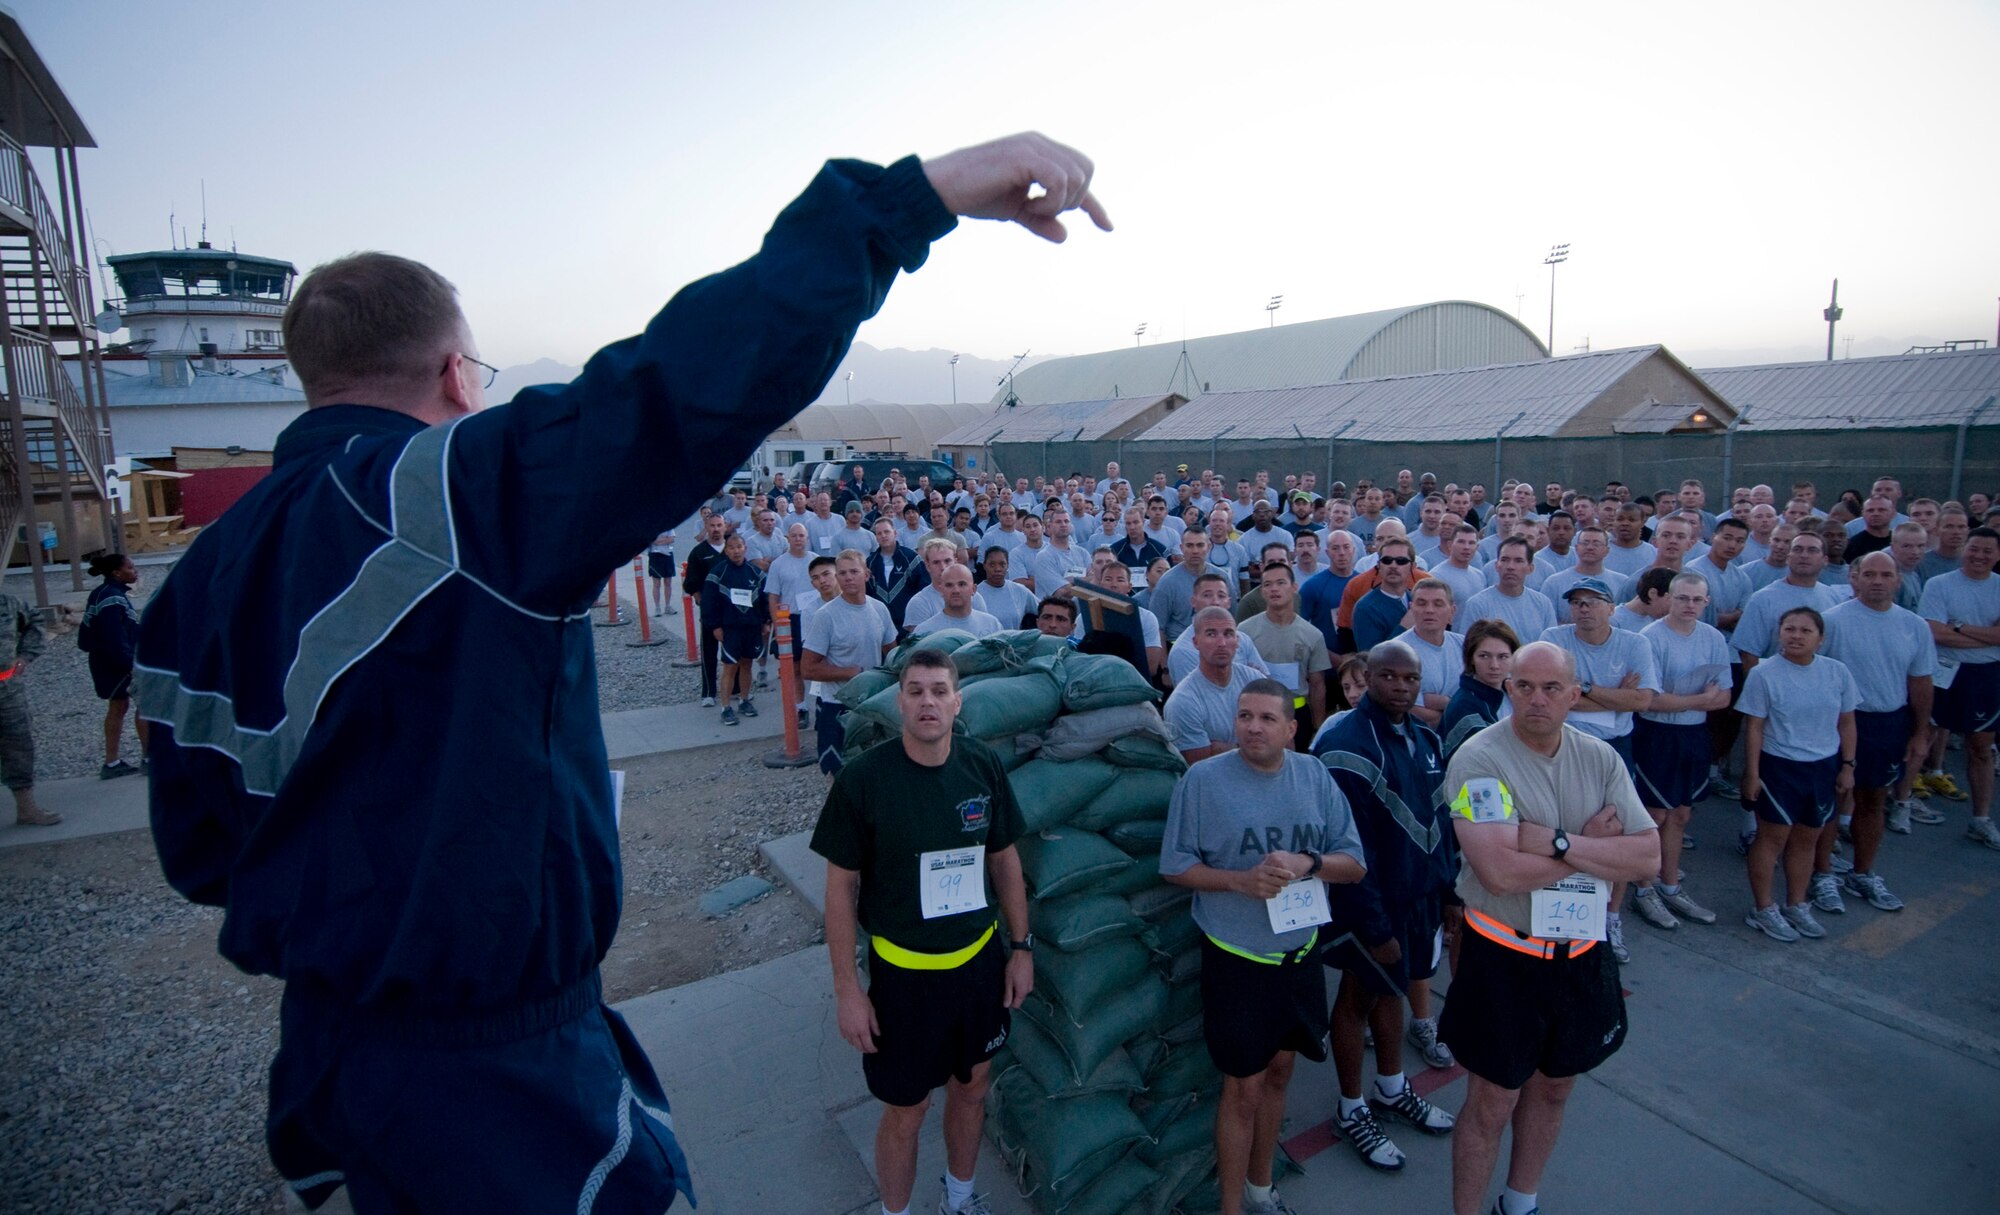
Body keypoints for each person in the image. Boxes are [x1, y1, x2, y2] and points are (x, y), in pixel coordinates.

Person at [134, 132, 1107, 1211]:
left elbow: (201, 853)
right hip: (497, 1087)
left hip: (329, 1062)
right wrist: (910, 200)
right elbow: (680, 386)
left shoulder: (191, 583)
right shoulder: (447, 501)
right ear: (456, 375)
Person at [1441, 642, 1661, 1215]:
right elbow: (1499, 873)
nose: (1537, 699)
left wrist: (1558, 842)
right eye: (1524, 687)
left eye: (1551, 688)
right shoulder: (1479, 761)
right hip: (1504, 960)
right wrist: (1593, 848)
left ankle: (1520, 1203)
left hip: (1582, 954)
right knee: (1492, 1102)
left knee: (1556, 1087)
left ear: (1575, 694)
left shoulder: (1601, 758)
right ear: (1508, 689)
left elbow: (1647, 859)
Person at [811, 649, 1034, 1215]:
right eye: (915, 691)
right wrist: (847, 988)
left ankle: (958, 1198)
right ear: (900, 702)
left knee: (973, 1087)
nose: (927, 701)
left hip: (978, 968)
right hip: (903, 979)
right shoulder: (864, 780)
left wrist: (1021, 947)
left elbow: (1004, 859)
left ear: (958, 703)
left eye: (939, 691)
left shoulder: (982, 766)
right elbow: (839, 889)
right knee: (907, 1111)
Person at [1161, 680, 1366, 1215]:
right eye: (1245, 716)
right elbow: (1175, 867)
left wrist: (1309, 863)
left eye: (1267, 718)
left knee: (1281, 1072)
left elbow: (1354, 864)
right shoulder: (1202, 781)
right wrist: (1238, 882)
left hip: (1300, 955)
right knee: (1244, 1089)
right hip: (1239, 961)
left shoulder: (1314, 774)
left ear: (1292, 729)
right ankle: (1231, 1207)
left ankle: (1261, 1186)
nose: (1253, 727)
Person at [1316, 642, 1460, 1175]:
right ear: (1368, 676)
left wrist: (1450, 893)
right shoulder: (1344, 744)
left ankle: (1393, 1088)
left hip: (1420, 898)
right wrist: (1375, 927)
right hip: (1369, 905)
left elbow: (1443, 820)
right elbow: (1350, 848)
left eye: (1410, 678)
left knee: (1392, 989)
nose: (1401, 686)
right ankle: (1350, 1107)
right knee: (1358, 995)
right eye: (1389, 676)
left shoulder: (1427, 738)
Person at [1738, 608, 1860, 941]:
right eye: (1789, 629)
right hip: (1780, 768)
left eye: (1806, 631)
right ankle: (1763, 909)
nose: (1796, 636)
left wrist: (1847, 766)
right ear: (1779, 633)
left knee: (1808, 839)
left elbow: (1847, 722)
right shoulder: (1764, 674)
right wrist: (1752, 774)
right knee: (1772, 838)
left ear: (1821, 638)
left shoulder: (1837, 672)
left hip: (1822, 768)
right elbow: (1755, 727)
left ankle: (1796, 905)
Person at [1821, 552, 1934, 906]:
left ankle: (1862, 873)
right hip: (1839, 722)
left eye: (1886, 575)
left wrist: (1919, 733)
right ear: (1854, 578)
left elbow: (1920, 681)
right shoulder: (1832, 621)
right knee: (1831, 799)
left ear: (1898, 580)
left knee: (1873, 799)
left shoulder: (1915, 626)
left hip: (1888, 724)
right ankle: (1822, 874)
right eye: (1869, 574)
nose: (1877, 581)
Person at [1625, 574, 1732, 933]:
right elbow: (1650, 701)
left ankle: (1669, 885)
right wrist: (1700, 699)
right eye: (1683, 598)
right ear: (1669, 598)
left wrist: (1688, 702)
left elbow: (1724, 697)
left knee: (1681, 814)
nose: (1689, 605)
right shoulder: (1650, 638)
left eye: (1697, 600)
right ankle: (1644, 888)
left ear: (1706, 602)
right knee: (1654, 814)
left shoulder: (1714, 638)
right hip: (1657, 735)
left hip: (1694, 734)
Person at [1917, 525, 2000, 851]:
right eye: (1974, 548)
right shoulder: (1939, 584)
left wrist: (1960, 626)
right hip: (1943, 672)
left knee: (1980, 748)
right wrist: (1986, 637)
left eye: (1987, 551)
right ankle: (1903, 803)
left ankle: (1981, 819)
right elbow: (1935, 632)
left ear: (1997, 555)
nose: (1979, 556)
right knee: (1921, 738)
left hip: (1985, 676)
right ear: (1965, 549)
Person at [802, 551, 899, 774]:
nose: (848, 577)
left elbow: (893, 655)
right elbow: (807, 669)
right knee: (837, 773)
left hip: (873, 704)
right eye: (842, 573)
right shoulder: (825, 616)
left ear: (866, 574)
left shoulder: (879, 609)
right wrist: (849, 672)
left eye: (854, 571)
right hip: (837, 705)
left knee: (877, 769)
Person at [1239, 561, 1332, 741]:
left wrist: (1318, 727)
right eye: (1267, 584)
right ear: (1262, 591)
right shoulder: (1245, 631)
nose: (1274, 589)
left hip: (1297, 713)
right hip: (1257, 715)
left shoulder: (1313, 635)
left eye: (1281, 583)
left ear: (1294, 587)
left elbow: (1317, 684)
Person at [80, 550, 150, 778]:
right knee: (144, 704)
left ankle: (111, 762)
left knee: (118, 706)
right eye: (130, 568)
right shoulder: (111, 598)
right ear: (116, 573)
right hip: (117, 662)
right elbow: (115, 636)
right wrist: (128, 663)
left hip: (105, 660)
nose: (134, 571)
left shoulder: (104, 594)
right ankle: (149, 758)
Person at [1165, 606, 1261, 763]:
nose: (1221, 643)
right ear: (1196, 642)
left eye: (1228, 634)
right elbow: (1201, 765)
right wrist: (1257, 747)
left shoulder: (1255, 681)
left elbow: (1281, 742)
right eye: (1211, 634)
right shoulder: (1183, 702)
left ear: (1237, 641)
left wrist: (1223, 749)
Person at [705, 530, 771, 725]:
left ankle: (744, 700)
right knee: (730, 666)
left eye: (739, 547)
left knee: (747, 664)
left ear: (745, 549)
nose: (736, 551)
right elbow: (709, 602)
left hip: (751, 627)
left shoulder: (755, 573)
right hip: (730, 628)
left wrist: (766, 622)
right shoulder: (717, 573)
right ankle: (726, 707)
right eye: (731, 548)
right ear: (726, 551)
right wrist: (715, 626)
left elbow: (764, 600)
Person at [0, 587, 53, 825]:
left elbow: (36, 620)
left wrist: (26, 654)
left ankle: (26, 808)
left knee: (19, 746)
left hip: (7, 690)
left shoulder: (8, 603)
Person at [1441, 621, 1519, 761]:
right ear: (1471, 658)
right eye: (1484, 656)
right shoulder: (1464, 707)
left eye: (1502, 657)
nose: (1494, 665)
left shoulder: (1515, 695)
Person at [1396, 578, 1464, 729]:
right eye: (1421, 603)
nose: (1429, 610)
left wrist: (1439, 701)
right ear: (1411, 609)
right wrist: (1455, 707)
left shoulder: (1464, 645)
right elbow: (1407, 709)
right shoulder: (1397, 651)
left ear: (1452, 611)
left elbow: (1476, 697)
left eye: (1438, 604)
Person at [684, 513, 730, 705]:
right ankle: (709, 692)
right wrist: (702, 603)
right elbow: (691, 584)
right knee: (709, 651)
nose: (716, 529)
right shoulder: (698, 552)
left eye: (719, 525)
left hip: (732, 611)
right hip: (710, 611)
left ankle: (735, 689)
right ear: (706, 527)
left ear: (725, 527)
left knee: (733, 651)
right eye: (712, 526)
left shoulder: (733, 548)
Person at [911, 563, 1004, 639]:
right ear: (941, 590)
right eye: (949, 585)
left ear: (973, 589)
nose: (956, 590)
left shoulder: (992, 625)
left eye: (962, 584)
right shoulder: (924, 631)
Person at [646, 530, 677, 617]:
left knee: (668, 582)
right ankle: (657, 607)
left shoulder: (669, 527)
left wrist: (658, 541)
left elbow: (671, 539)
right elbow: (651, 540)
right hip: (655, 555)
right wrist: (664, 539)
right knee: (656, 583)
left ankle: (668, 606)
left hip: (667, 554)